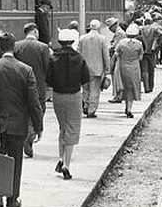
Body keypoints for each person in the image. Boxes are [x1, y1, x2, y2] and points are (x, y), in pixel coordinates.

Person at [0, 32, 43, 207]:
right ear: (14, 48)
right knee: (16, 162)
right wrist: (38, 125)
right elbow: (33, 102)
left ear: (0, 48)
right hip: (18, 125)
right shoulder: (26, 70)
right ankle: (12, 199)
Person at [47, 28, 90, 179]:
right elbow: (85, 78)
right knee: (72, 129)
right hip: (73, 95)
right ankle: (66, 164)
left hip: (58, 95)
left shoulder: (53, 58)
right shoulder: (79, 58)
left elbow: (49, 79)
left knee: (63, 127)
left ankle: (60, 158)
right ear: (72, 41)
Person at [14, 22, 51, 158]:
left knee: (23, 111)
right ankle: (31, 134)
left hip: (19, 86)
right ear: (35, 32)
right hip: (38, 86)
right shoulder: (43, 47)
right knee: (38, 110)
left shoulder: (17, 46)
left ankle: (26, 133)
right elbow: (47, 68)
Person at [78, 19, 111, 117]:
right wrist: (107, 67)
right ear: (98, 27)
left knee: (85, 89)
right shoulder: (102, 39)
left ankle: (85, 105)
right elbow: (105, 55)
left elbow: (79, 53)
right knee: (94, 90)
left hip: (84, 68)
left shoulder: (82, 38)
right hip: (97, 69)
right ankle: (91, 110)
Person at [112, 23, 143, 118]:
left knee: (124, 86)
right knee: (132, 88)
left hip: (123, 67)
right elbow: (141, 57)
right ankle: (129, 108)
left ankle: (126, 106)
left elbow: (116, 55)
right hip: (134, 67)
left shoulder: (121, 43)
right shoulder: (139, 44)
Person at [139, 14, 162, 93]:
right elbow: (161, 34)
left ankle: (146, 88)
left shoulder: (141, 29)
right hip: (152, 51)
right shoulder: (154, 29)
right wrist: (157, 42)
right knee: (151, 69)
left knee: (144, 70)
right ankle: (151, 86)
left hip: (143, 50)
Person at [105, 17, 126, 104]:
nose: (110, 30)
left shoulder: (119, 33)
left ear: (114, 26)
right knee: (116, 76)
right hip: (118, 56)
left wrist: (108, 48)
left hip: (118, 57)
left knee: (117, 77)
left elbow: (115, 46)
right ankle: (117, 95)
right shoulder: (119, 32)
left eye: (110, 28)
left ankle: (118, 96)